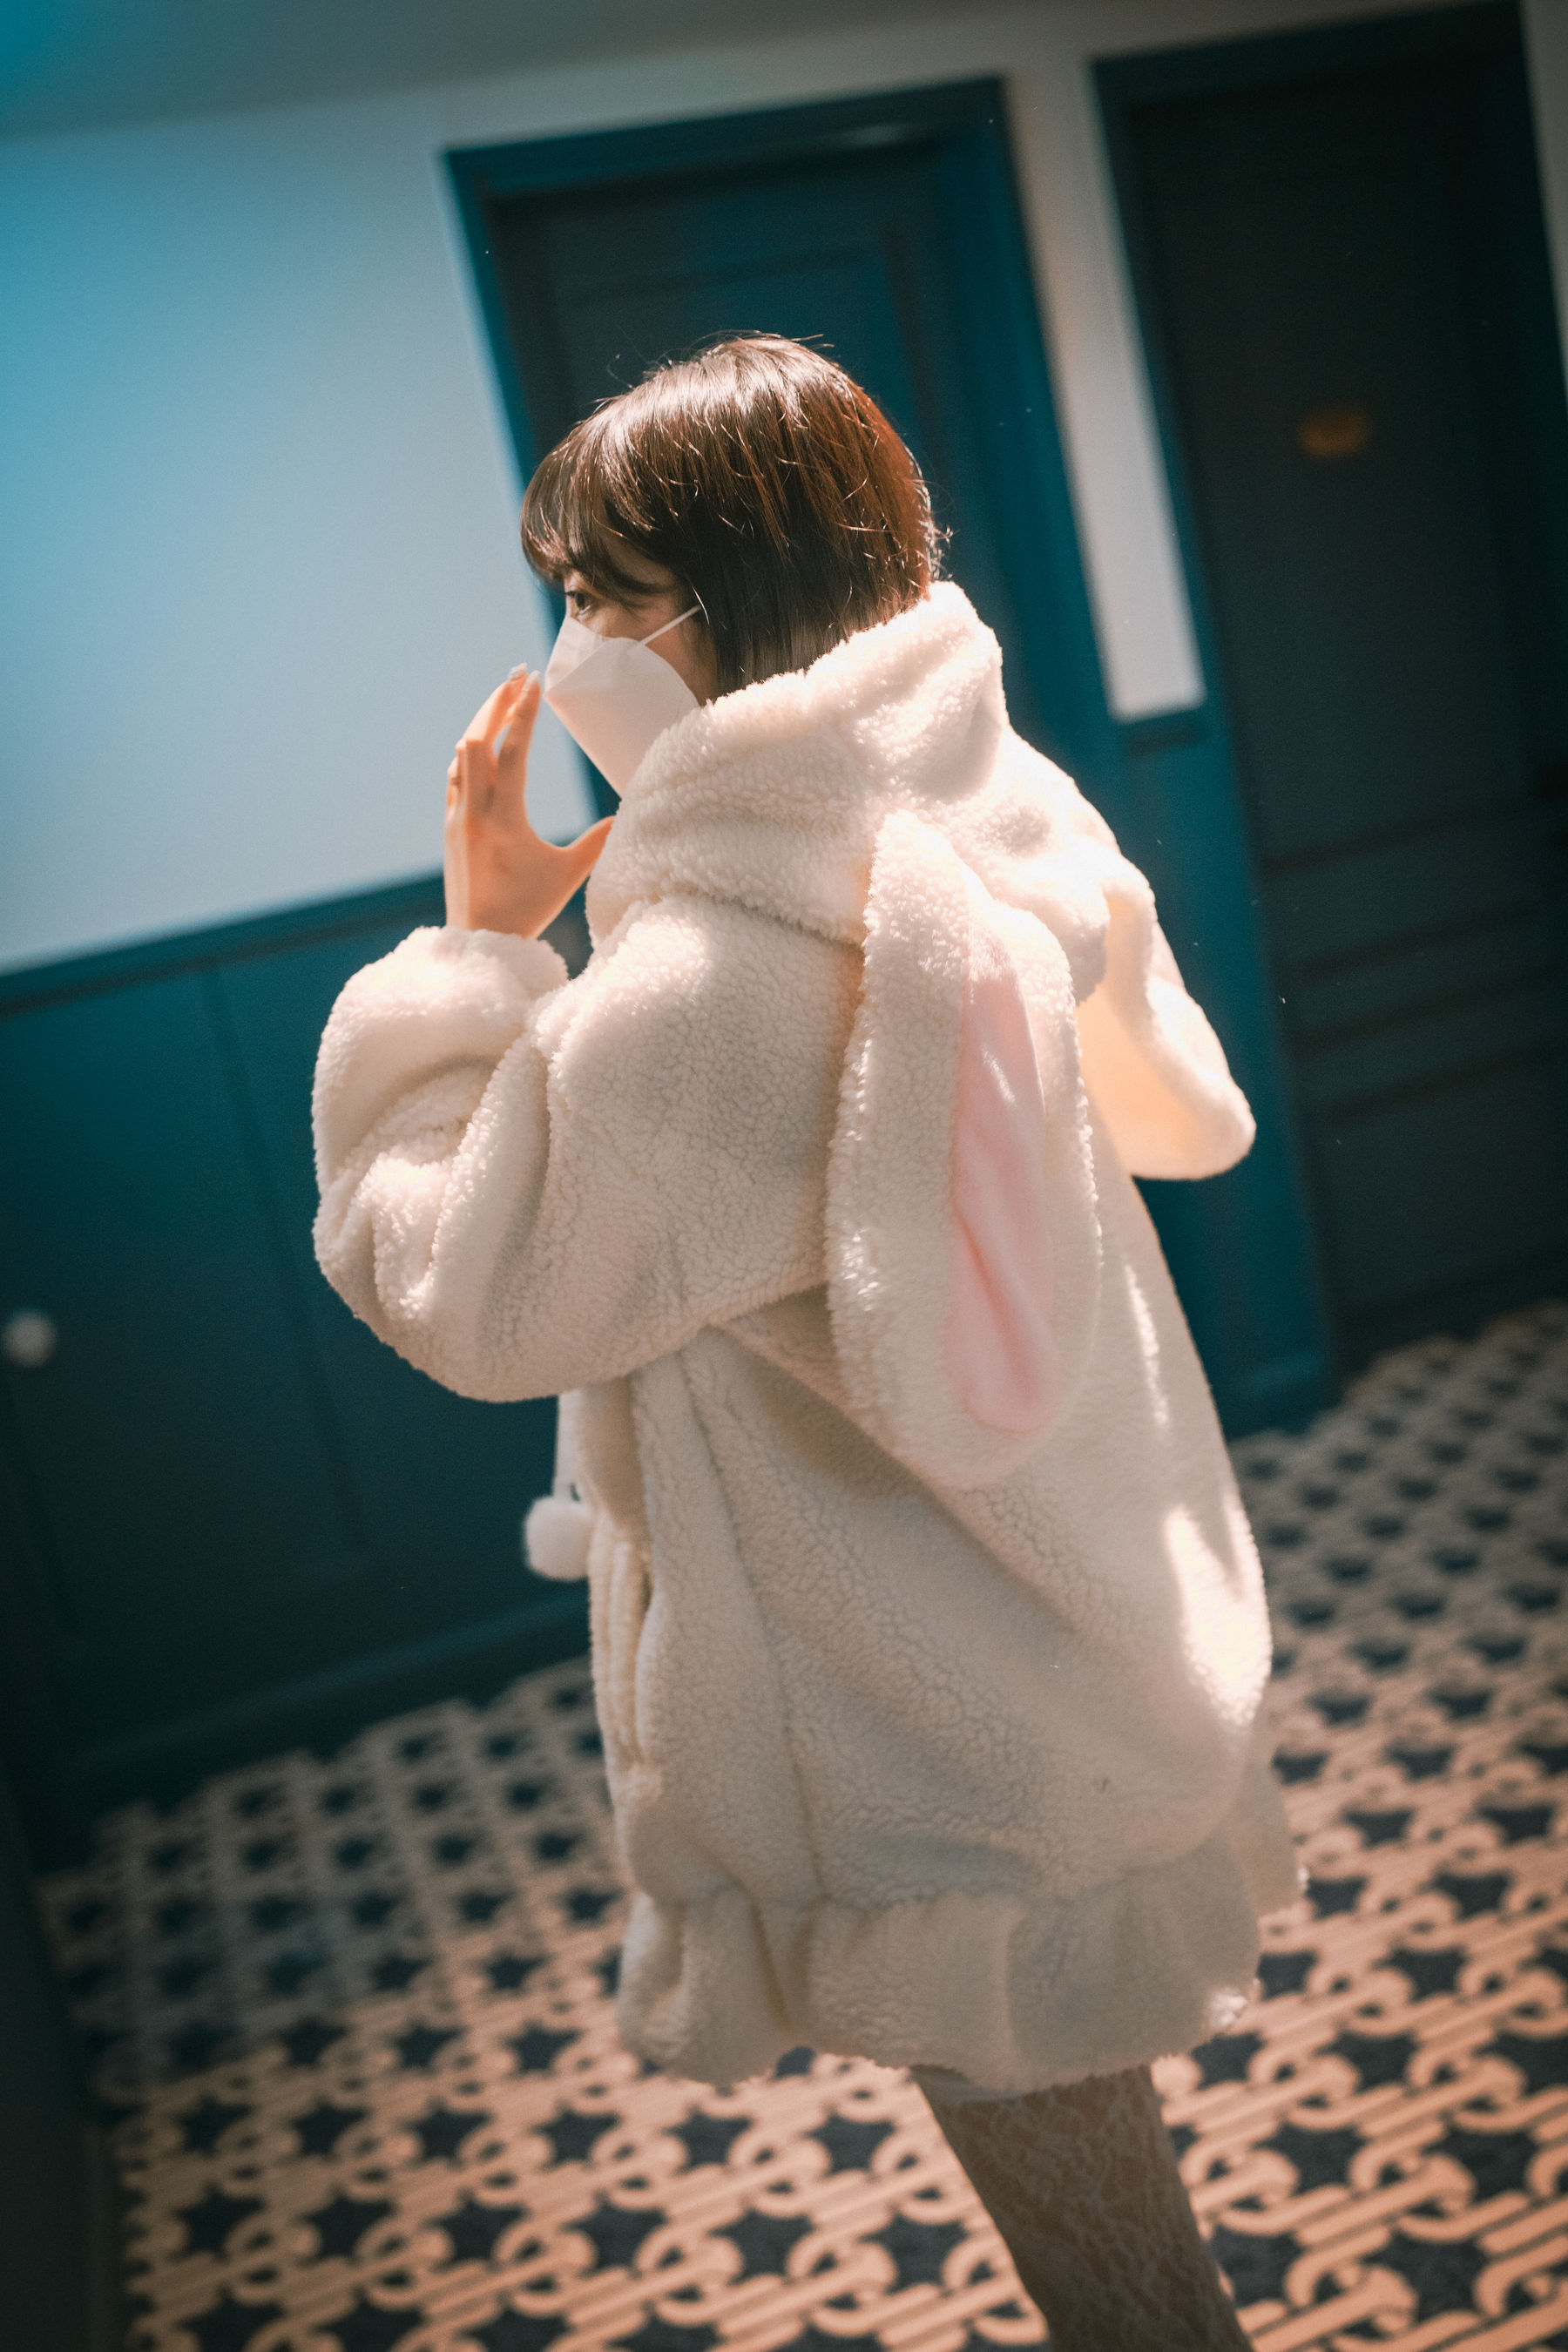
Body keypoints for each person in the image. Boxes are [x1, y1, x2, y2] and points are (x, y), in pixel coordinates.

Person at [313, 335, 1299, 2349]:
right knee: (1121, 2224)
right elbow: (1179, 1101)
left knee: (1123, 2288)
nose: (570, 644)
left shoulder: (714, 971)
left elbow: (468, 1288)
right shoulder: (985, 801)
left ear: (720, 602)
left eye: (598, 594)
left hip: (925, 1747)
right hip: (1071, 1621)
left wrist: (476, 951)